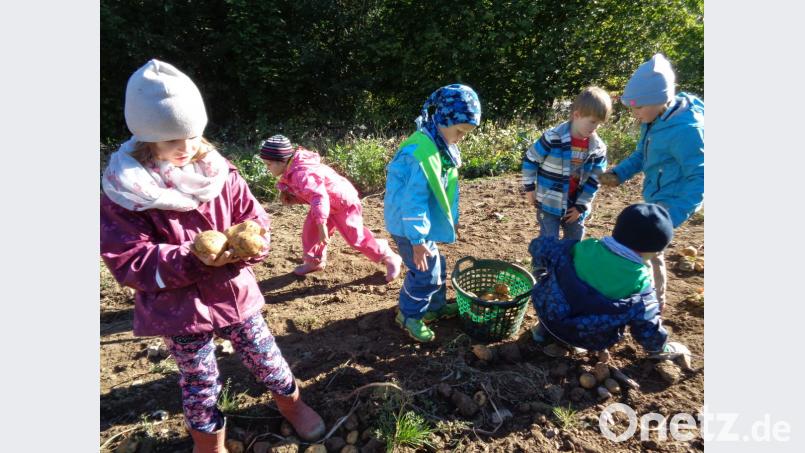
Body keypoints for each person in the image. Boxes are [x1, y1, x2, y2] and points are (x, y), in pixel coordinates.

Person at [100, 59, 325, 452]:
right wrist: (192, 258)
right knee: (199, 379)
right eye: (171, 140)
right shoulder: (127, 192)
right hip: (178, 308)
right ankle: (209, 443)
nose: (185, 148)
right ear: (146, 137)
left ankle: (292, 404)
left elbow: (253, 218)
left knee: (266, 356)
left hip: (234, 292)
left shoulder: (218, 173)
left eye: (191, 135)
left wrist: (252, 242)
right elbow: (128, 258)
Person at [600, 54, 704, 312]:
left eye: (638, 108)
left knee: (649, 253)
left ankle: (652, 305)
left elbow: (701, 178)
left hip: (671, 203)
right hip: (655, 196)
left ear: (661, 99)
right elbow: (642, 156)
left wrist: (672, 216)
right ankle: (645, 298)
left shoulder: (686, 130)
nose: (635, 114)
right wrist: (619, 173)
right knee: (645, 253)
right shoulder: (655, 120)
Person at [384, 84, 481, 342]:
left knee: (437, 265)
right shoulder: (422, 153)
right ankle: (408, 314)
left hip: (418, 225)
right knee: (424, 272)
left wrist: (453, 220)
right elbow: (413, 202)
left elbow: (444, 191)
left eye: (466, 133)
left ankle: (434, 308)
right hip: (408, 227)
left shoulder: (439, 143)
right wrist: (417, 241)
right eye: (459, 130)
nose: (461, 136)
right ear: (444, 118)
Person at [528, 203, 689, 358]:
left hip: (546, 313)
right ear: (652, 251)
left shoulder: (583, 247)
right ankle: (575, 343)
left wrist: (542, 268)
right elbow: (647, 327)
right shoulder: (641, 285)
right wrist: (661, 347)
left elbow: (539, 246)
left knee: (554, 290)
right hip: (587, 337)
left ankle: (541, 332)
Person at [259, 135, 402, 280]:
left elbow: (319, 196)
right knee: (310, 233)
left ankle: (388, 256)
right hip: (327, 206)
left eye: (268, 164)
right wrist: (294, 197)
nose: (267, 168)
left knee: (356, 238)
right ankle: (314, 261)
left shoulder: (302, 173)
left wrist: (322, 226)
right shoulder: (293, 168)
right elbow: (311, 194)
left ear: (281, 161)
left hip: (343, 203)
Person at [522, 86, 611, 241]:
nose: (595, 128)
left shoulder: (598, 148)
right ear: (576, 115)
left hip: (575, 205)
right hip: (549, 201)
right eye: (592, 122)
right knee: (549, 240)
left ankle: (568, 265)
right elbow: (531, 160)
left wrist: (580, 206)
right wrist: (530, 189)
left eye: (599, 124)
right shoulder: (553, 137)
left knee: (574, 240)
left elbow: (595, 180)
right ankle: (542, 266)